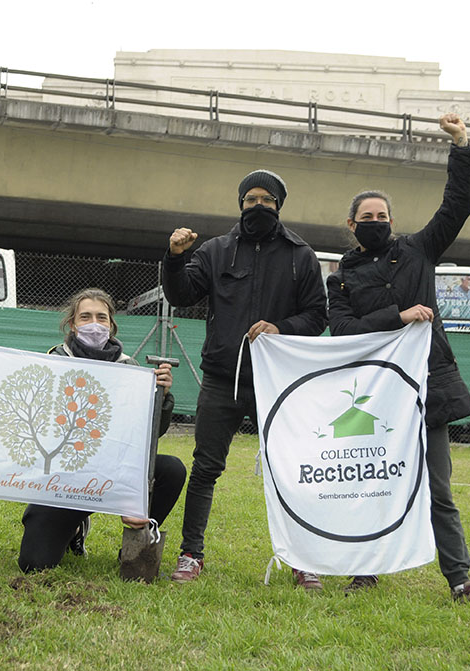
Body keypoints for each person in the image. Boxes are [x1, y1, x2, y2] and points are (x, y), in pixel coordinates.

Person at [325, 113, 470, 603]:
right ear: (351, 225)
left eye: (382, 216)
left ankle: (459, 578)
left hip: (428, 386)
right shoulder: (340, 280)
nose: (376, 223)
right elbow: (344, 330)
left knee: (439, 489)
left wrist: (462, 147)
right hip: (374, 397)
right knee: (372, 485)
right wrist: (398, 315)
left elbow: (457, 206)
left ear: (392, 222)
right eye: (366, 217)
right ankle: (365, 569)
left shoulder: (420, 250)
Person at [162, 169, 328, 584]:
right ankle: (191, 555)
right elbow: (181, 294)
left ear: (279, 206)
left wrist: (280, 328)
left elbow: (318, 315)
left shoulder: (300, 255)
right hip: (223, 377)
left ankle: (302, 559)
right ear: (240, 204)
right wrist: (175, 258)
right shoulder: (217, 251)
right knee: (205, 467)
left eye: (267, 201)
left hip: (279, 382)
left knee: (290, 470)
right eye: (251, 199)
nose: (259, 207)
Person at [16, 288, 187, 573]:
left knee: (171, 469)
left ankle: (134, 544)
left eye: (101, 317)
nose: (93, 324)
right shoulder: (55, 360)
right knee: (34, 564)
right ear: (72, 324)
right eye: (85, 317)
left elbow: (150, 434)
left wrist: (163, 397)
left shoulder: (130, 367)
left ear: (111, 324)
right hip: (66, 477)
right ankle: (75, 525)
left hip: (117, 469)